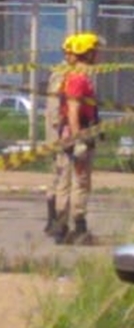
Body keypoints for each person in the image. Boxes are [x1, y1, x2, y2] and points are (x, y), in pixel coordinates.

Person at [53, 32, 101, 246]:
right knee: (79, 182)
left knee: (64, 181)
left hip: (69, 135)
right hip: (76, 135)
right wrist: (79, 139)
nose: (97, 54)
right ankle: (78, 228)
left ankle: (61, 229)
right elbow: (73, 111)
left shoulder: (74, 76)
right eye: (94, 50)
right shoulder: (79, 79)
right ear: (87, 53)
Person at [43, 36, 75, 235]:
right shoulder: (63, 73)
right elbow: (55, 104)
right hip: (60, 133)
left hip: (60, 131)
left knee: (59, 176)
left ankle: (54, 222)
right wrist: (60, 129)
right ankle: (55, 223)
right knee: (61, 176)